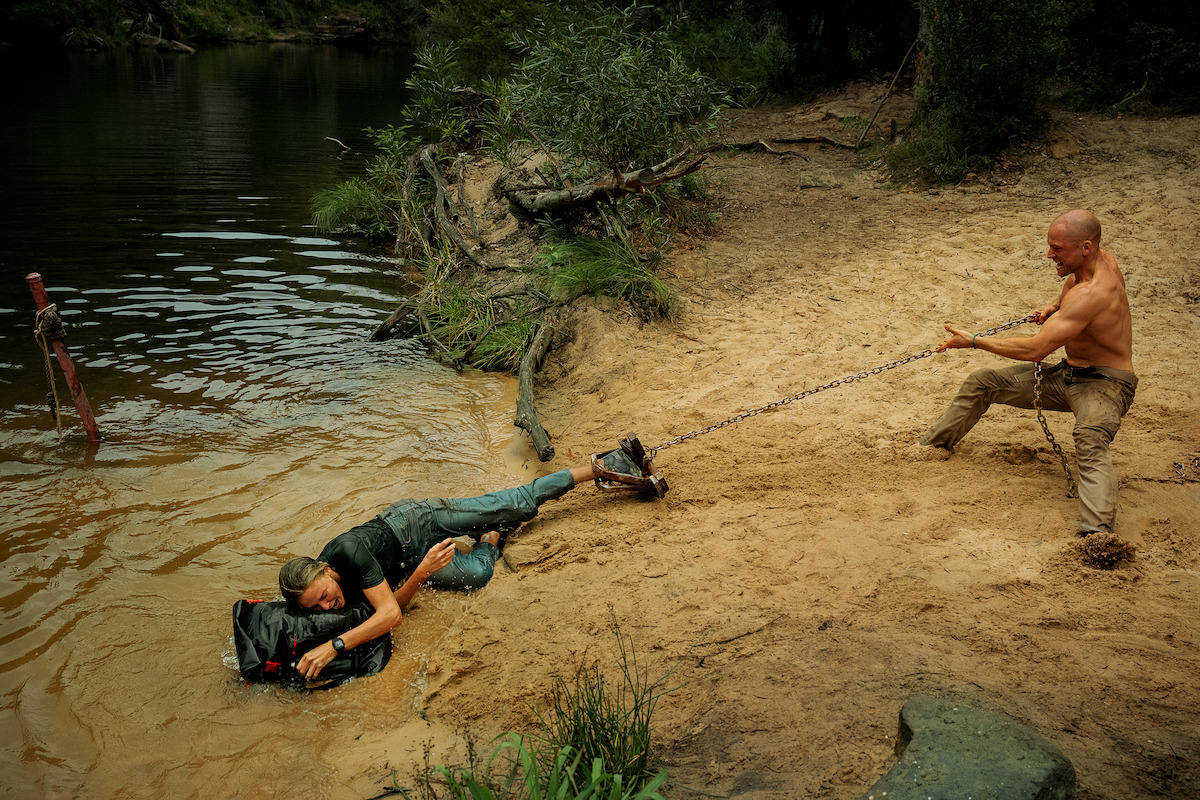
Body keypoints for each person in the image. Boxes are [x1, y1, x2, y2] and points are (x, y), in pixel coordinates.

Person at [278, 461, 626, 680]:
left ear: (325, 569)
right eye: (316, 609)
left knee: (515, 505)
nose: (328, 606)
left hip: (414, 522)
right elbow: (396, 606)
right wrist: (423, 571)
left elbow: (390, 617)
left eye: (323, 596)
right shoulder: (326, 591)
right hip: (412, 562)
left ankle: (599, 467)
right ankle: (490, 535)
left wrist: (334, 646)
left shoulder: (348, 551)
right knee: (478, 576)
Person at [915, 209, 1137, 537]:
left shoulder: (1093, 294)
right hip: (1068, 374)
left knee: (1089, 438)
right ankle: (934, 447)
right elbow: (1072, 291)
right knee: (983, 383)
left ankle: (1096, 535)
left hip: (1107, 384)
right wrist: (1053, 306)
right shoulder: (1098, 263)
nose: (1050, 254)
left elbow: (1035, 351)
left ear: (1085, 247)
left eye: (1057, 249)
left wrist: (974, 341)